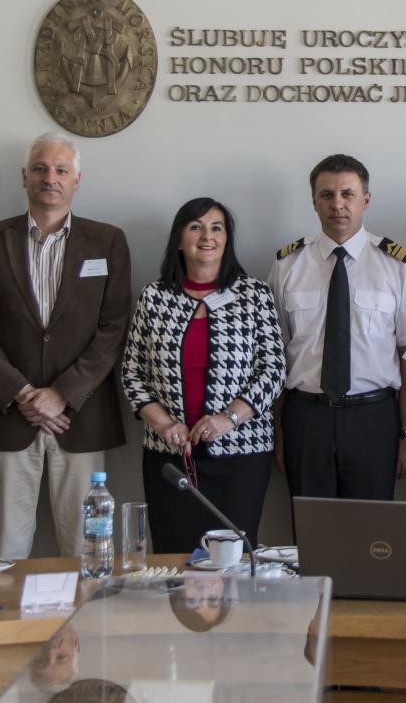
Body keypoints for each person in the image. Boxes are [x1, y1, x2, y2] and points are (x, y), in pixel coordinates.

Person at [0, 133, 131, 559]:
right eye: (40, 169)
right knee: (8, 550)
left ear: (77, 180)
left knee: (86, 551)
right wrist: (22, 393)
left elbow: (114, 328)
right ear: (24, 176)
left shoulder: (107, 241)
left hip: (79, 416)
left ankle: (84, 610)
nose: (50, 178)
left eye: (61, 170)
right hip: (10, 414)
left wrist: (62, 393)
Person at [123, 198, 285, 553]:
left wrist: (229, 418)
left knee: (233, 559)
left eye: (216, 228)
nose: (207, 236)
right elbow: (132, 373)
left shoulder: (254, 295)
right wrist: (164, 425)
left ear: (227, 239)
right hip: (170, 455)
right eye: (195, 227)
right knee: (174, 556)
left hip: (241, 454)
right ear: (179, 240)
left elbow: (273, 370)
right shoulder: (154, 297)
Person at [267, 154, 406, 500]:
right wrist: (278, 431)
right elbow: (275, 356)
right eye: (327, 195)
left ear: (365, 200)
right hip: (306, 417)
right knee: (311, 526)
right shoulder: (287, 265)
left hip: (374, 417)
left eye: (347, 194)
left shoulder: (398, 265)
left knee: (372, 528)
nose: (337, 204)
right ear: (314, 202)